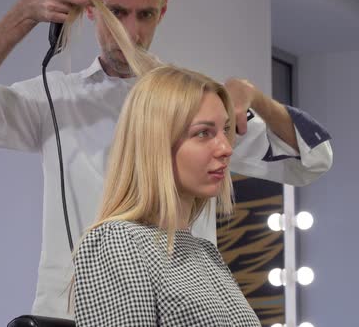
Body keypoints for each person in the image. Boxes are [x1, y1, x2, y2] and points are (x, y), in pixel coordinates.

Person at [0, 0, 332, 319]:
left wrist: (255, 96)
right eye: (117, 13)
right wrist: (23, 15)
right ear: (91, 9)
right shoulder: (55, 98)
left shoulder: (194, 109)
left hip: (182, 308)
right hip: (70, 313)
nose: (131, 32)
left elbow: (311, 160)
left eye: (146, 15)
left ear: (164, 10)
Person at [74, 64, 261, 326]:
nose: (226, 148)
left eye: (225, 131)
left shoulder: (206, 252)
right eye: (203, 133)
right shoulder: (118, 242)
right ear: (157, 142)